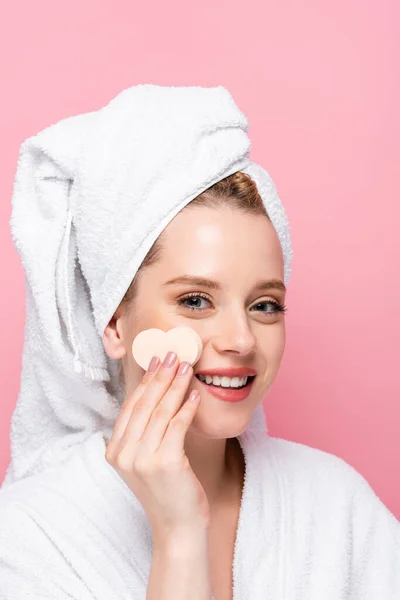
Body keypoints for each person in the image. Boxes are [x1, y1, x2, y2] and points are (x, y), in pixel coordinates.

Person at [0, 84, 399, 600]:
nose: (240, 339)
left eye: (265, 305)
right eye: (195, 301)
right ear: (115, 325)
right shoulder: (30, 537)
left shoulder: (336, 507)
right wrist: (180, 541)